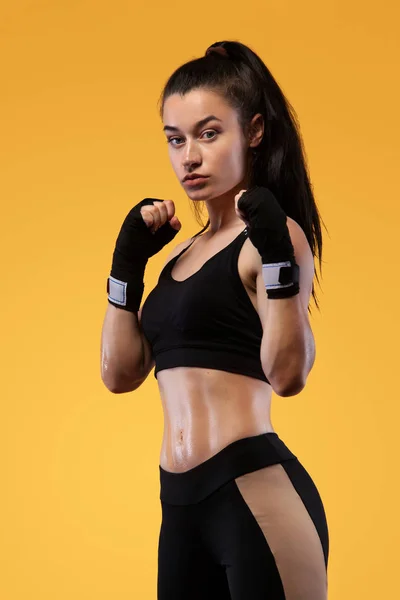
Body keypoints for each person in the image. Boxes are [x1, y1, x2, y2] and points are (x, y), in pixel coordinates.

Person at [101, 40, 329, 600]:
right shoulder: (180, 256)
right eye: (175, 140)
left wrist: (279, 260)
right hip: (178, 509)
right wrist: (126, 270)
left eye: (208, 133)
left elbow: (288, 375)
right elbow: (119, 374)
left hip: (253, 493)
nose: (189, 157)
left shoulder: (270, 240)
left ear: (252, 131)